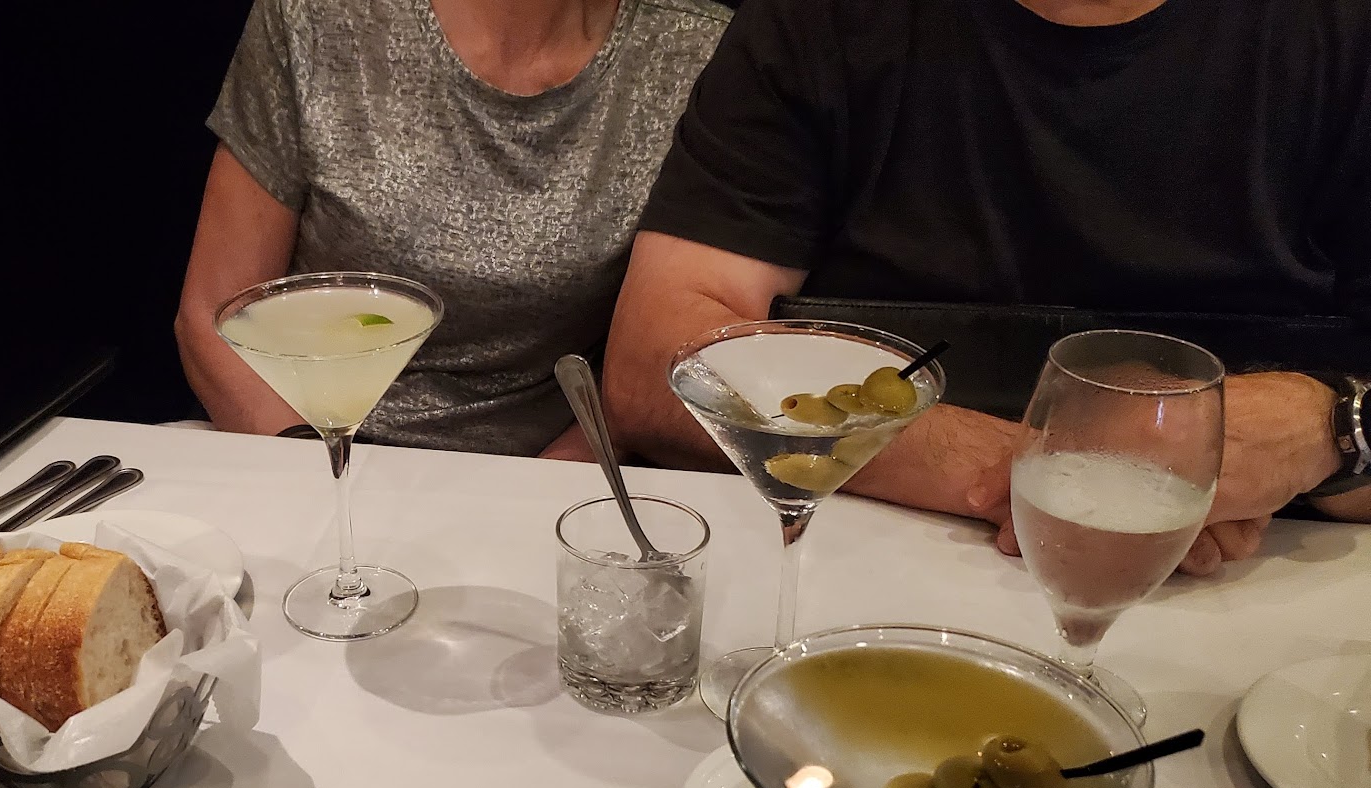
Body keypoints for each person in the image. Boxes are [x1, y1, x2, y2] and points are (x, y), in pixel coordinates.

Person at [602, 0, 1371, 574]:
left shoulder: (1343, 38)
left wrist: (1333, 428)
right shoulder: (820, 21)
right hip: (853, 572)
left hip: (1265, 603)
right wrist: (1053, 478)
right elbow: (655, 362)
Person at [177, 0, 732, 458]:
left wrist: (524, 502)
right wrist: (322, 484)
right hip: (303, 450)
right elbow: (212, 317)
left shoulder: (700, 52)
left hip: (543, 481)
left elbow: (646, 375)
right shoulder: (314, 17)